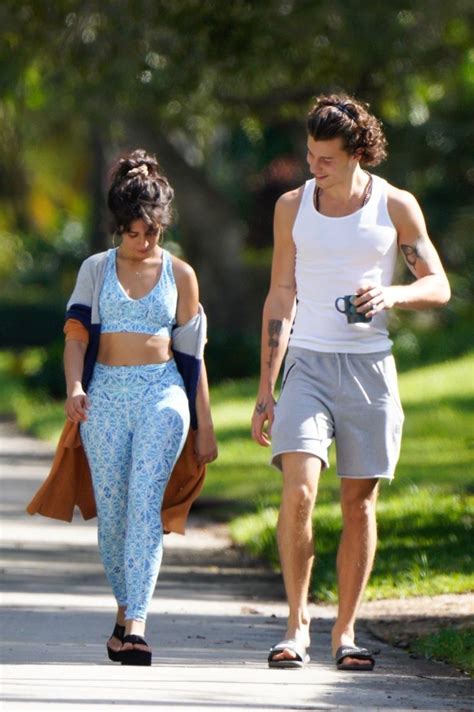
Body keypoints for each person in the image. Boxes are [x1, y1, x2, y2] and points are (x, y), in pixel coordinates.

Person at [251, 94, 450, 671]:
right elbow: (281, 293)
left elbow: (436, 283)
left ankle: (346, 631)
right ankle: (295, 626)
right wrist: (267, 385)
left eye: (327, 159)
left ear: (358, 153)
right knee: (299, 490)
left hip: (369, 367)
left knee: (359, 503)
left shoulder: (395, 206)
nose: (315, 166)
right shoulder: (292, 206)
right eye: (310, 154)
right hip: (307, 363)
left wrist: (395, 293)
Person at [64, 149, 218, 666]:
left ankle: (137, 627)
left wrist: (204, 425)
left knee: (144, 505)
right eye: (134, 232)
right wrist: (74, 389)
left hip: (162, 394)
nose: (144, 241)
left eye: (152, 231)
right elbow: (76, 338)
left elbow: (192, 357)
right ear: (118, 226)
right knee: (113, 515)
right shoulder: (95, 270)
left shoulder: (181, 274)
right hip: (104, 395)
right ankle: (123, 610)